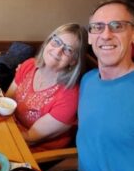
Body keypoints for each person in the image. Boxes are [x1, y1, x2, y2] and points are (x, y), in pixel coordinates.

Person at [49, 0, 134, 171]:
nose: (105, 34)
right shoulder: (87, 81)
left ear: (133, 34)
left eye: (117, 25)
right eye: (97, 27)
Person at [5, 23, 88, 152]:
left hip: (32, 150)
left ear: (74, 61)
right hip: (10, 128)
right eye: (56, 42)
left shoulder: (69, 96)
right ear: (48, 42)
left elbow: (30, 138)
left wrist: (0, 133)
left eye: (68, 50)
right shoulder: (29, 65)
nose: (58, 51)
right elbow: (6, 101)